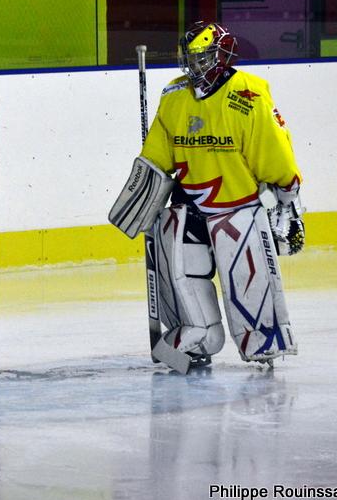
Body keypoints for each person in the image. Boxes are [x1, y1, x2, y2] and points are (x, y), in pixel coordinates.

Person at [109, 21, 305, 373]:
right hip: (187, 211)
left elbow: (274, 153)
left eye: (204, 57)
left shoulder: (249, 95)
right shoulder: (174, 97)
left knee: (251, 296)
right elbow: (158, 154)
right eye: (192, 58)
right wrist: (143, 191)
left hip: (238, 211)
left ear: (223, 54)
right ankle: (196, 339)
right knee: (191, 300)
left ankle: (264, 342)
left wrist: (287, 194)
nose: (196, 66)